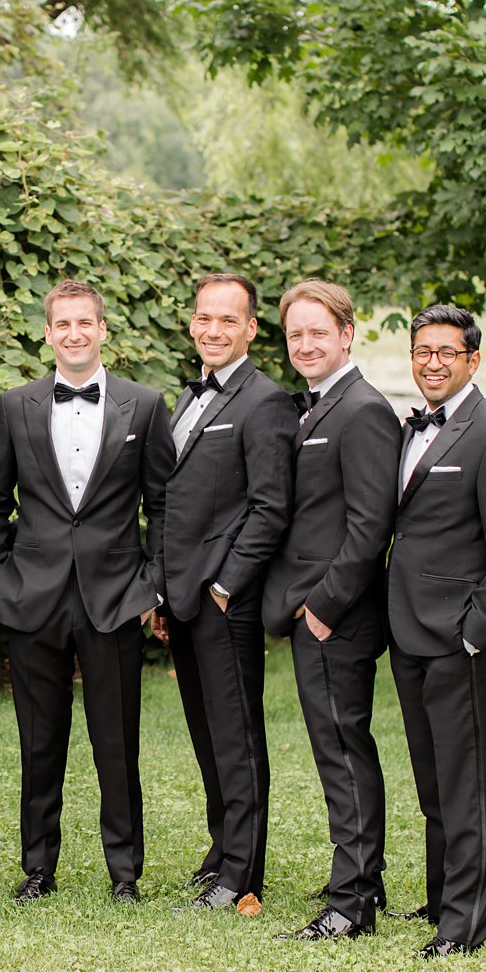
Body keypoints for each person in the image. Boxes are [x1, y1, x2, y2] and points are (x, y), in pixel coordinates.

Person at [0, 279, 174, 905]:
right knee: (39, 742)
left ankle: (125, 872)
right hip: (32, 595)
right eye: (62, 324)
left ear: (102, 330)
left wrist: (153, 586)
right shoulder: (15, 406)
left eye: (84, 323)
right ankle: (38, 866)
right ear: (48, 333)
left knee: (116, 741)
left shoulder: (143, 406)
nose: (73, 334)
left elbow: (163, 505)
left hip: (115, 595)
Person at [387, 304, 486, 958]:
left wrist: (475, 633)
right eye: (423, 350)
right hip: (407, 631)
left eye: (448, 351)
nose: (433, 362)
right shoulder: (409, 429)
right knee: (431, 776)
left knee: (465, 780)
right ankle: (441, 892)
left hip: (461, 640)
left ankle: (464, 925)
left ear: (473, 360)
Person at [261, 279, 400, 940]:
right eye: (296, 334)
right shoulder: (319, 406)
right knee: (338, 749)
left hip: (335, 616)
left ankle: (351, 904)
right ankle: (361, 876)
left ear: (348, 334)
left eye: (319, 331)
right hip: (313, 611)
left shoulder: (363, 409)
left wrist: (321, 607)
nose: (307, 343)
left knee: (343, 751)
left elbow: (372, 525)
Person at [152, 273, 295, 910]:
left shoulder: (265, 402)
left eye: (228, 321)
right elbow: (169, 503)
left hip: (223, 601)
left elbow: (269, 508)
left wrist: (224, 587)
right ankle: (221, 853)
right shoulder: (189, 398)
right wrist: (162, 592)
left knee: (236, 736)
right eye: (205, 318)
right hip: (182, 597)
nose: (214, 330)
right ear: (192, 323)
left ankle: (243, 873)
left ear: (251, 329)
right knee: (208, 734)